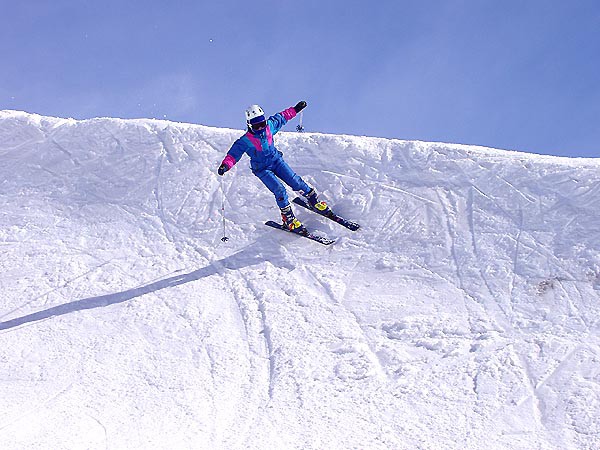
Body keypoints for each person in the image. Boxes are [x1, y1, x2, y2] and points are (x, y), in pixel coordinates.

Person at [217, 101, 330, 232]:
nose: (260, 128)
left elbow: (282, 117)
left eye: (262, 124)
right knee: (280, 190)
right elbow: (233, 155)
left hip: (276, 161)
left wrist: (296, 109)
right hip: (262, 169)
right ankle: (289, 220)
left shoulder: (270, 126)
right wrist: (225, 166)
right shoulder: (245, 141)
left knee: (295, 181)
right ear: (249, 125)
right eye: (256, 126)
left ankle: (313, 200)